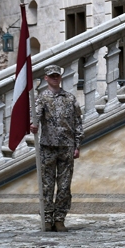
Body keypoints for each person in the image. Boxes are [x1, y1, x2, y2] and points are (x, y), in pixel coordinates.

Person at [29, 65, 83, 232]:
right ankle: (47, 218)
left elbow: (77, 122)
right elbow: (35, 116)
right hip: (47, 147)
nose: (54, 78)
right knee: (47, 185)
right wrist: (33, 125)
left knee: (64, 185)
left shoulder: (70, 98)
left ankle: (59, 219)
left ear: (60, 77)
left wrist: (77, 144)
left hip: (66, 147)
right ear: (46, 78)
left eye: (57, 76)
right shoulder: (41, 98)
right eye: (51, 76)